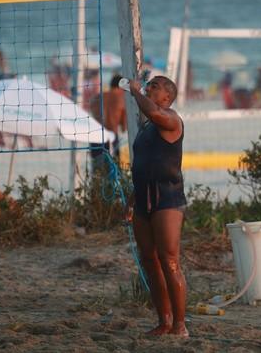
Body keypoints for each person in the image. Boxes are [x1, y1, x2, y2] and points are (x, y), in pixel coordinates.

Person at [126, 75, 188, 337]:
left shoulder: (171, 119)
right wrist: (131, 200)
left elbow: (149, 108)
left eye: (155, 86)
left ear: (167, 97)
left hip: (168, 198)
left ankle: (180, 326)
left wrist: (135, 90)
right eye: (147, 84)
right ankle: (164, 321)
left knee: (169, 260)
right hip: (143, 198)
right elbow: (143, 165)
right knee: (149, 260)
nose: (149, 87)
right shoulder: (146, 127)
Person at [89, 74, 127, 168]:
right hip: (111, 137)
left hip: (95, 137)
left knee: (97, 172)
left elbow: (92, 111)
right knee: (114, 172)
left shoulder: (96, 98)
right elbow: (124, 127)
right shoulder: (122, 99)